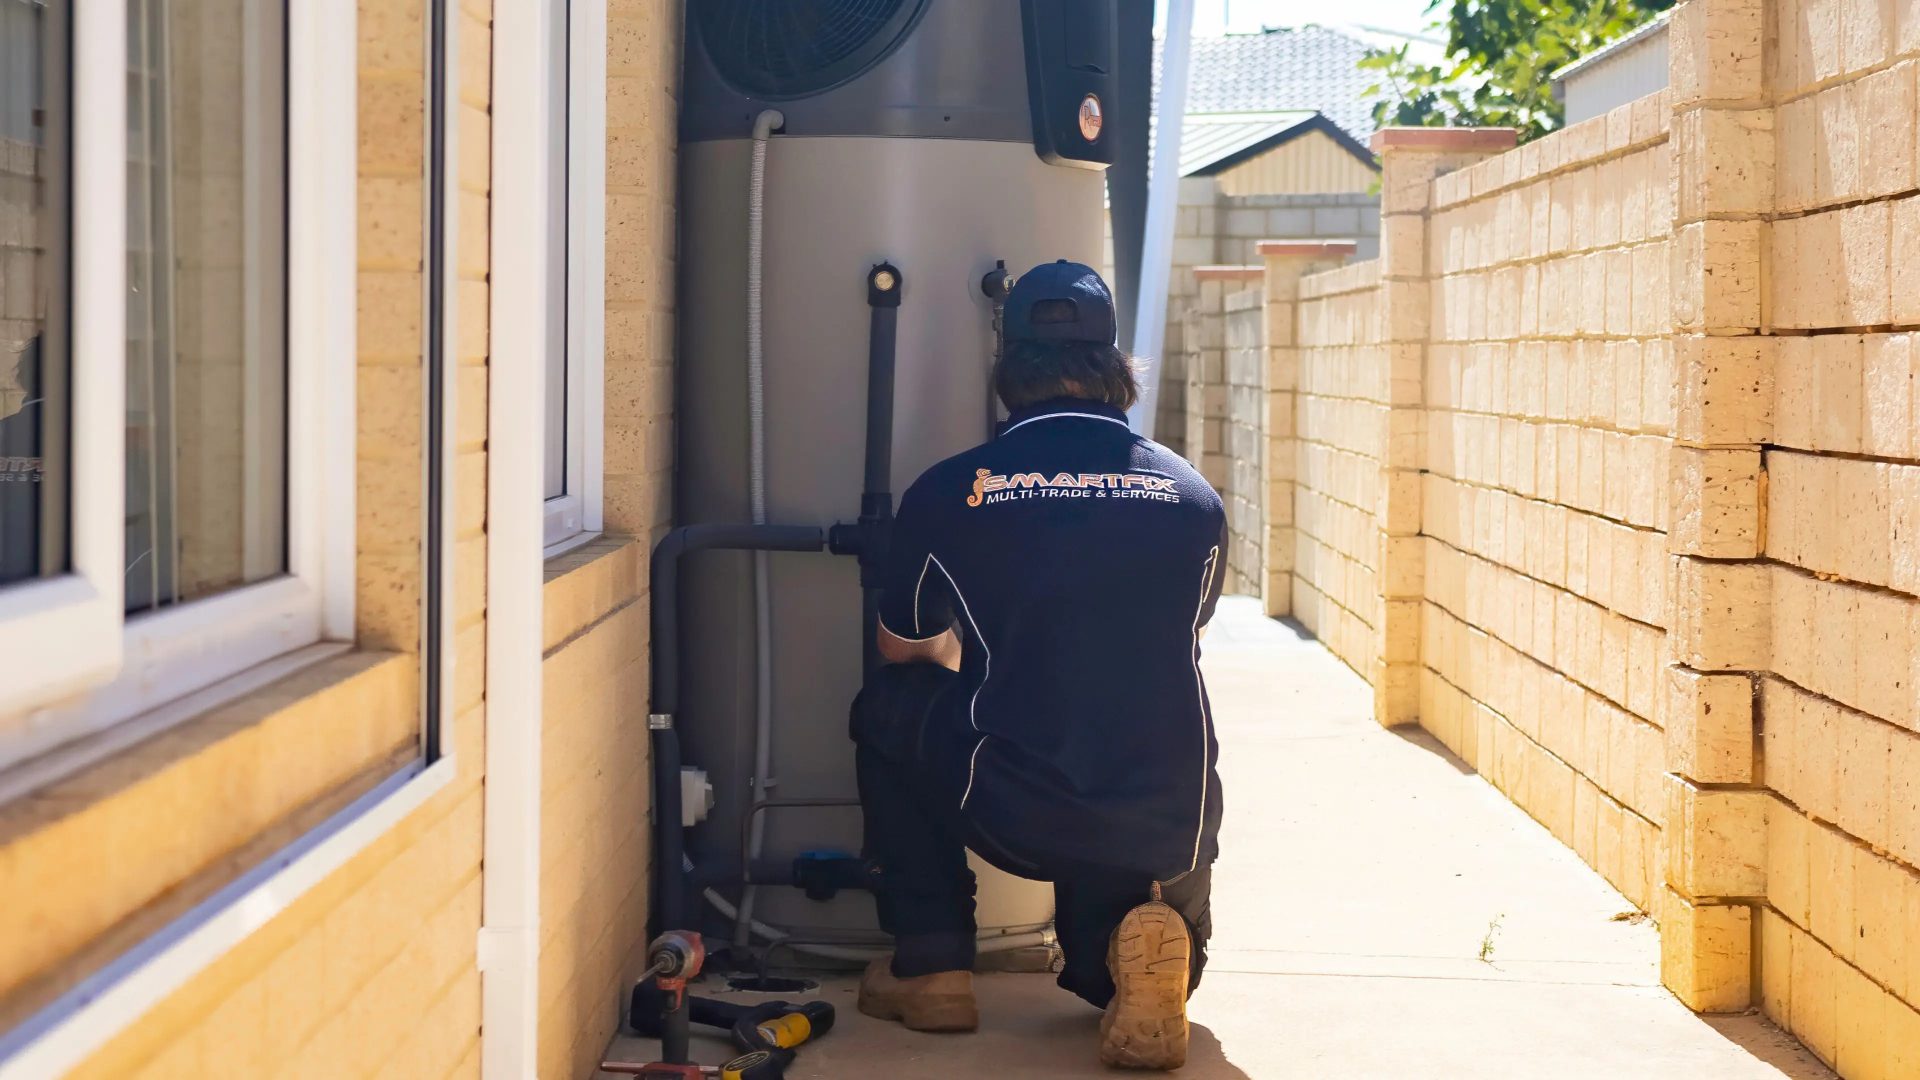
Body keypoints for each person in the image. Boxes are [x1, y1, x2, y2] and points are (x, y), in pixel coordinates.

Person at [849, 261, 1225, 1070]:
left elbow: (901, 644)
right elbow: (1182, 633)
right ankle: (1139, 946)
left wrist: (975, 650)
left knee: (891, 705)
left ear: (1007, 368)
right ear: (1116, 366)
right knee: (1110, 943)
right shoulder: (1192, 496)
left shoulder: (953, 492)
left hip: (1015, 799)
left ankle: (934, 962)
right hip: (1170, 816)